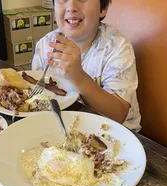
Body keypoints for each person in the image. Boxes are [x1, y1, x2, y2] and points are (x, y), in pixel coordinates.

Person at [32, 0, 141, 131]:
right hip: (65, 126)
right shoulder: (45, 45)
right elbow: (39, 96)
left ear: (103, 9)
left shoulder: (117, 49)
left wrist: (78, 76)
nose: (71, 7)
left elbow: (118, 114)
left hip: (117, 134)